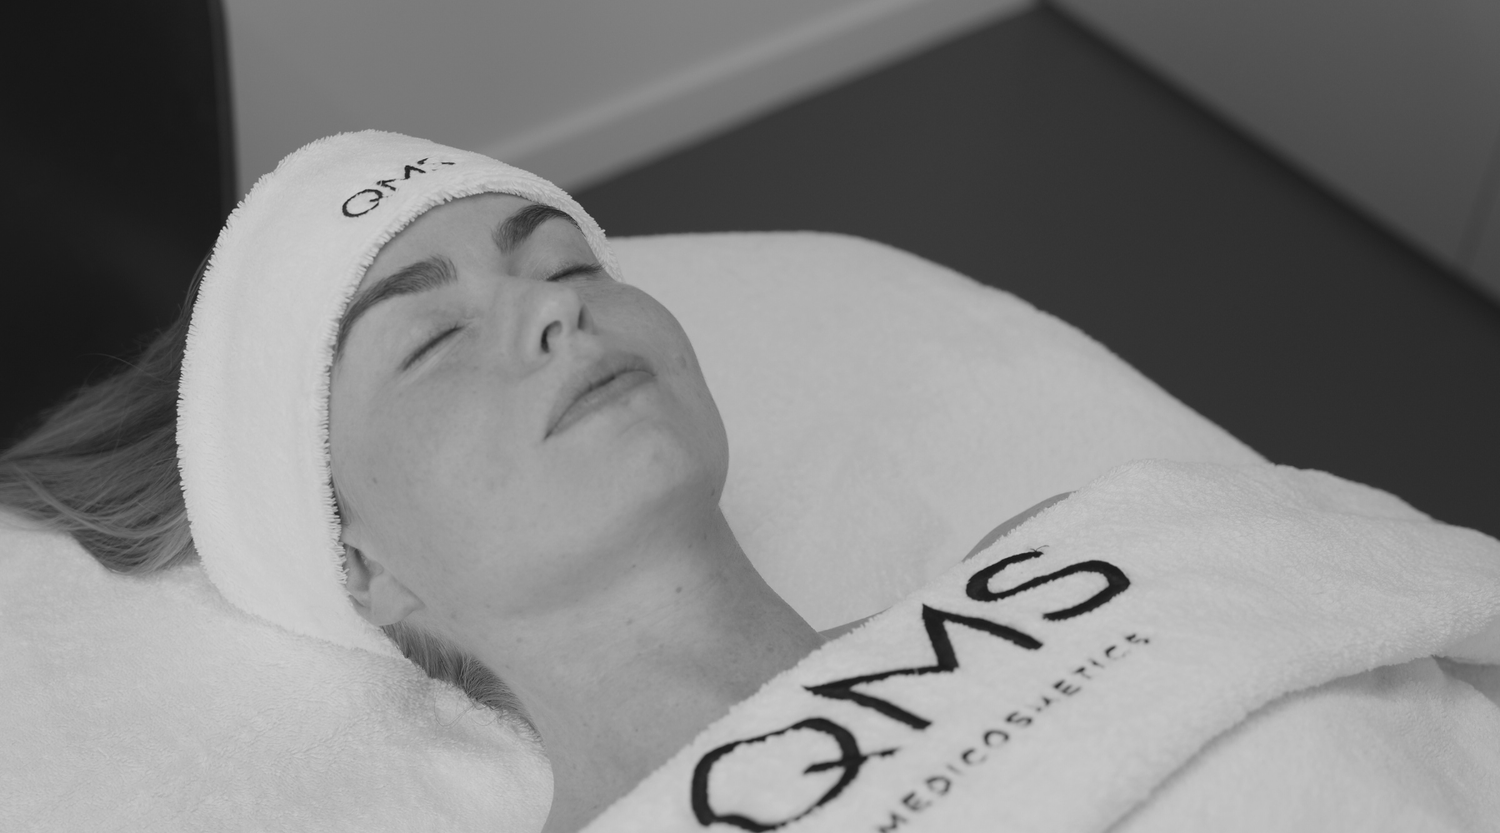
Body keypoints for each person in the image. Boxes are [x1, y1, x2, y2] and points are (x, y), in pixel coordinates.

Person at [0, 133, 1062, 831]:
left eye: (567, 264)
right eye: (433, 339)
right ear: (360, 563)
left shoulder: (1062, 562)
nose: (558, 309)